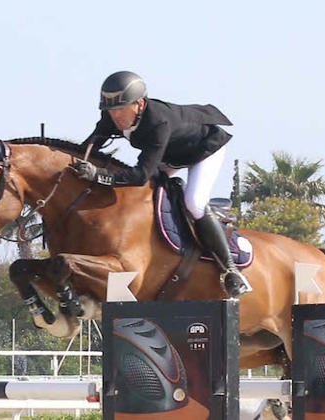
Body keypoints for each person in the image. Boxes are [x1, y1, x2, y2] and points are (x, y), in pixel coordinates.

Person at [71, 70, 252, 298]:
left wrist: (98, 175)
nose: (115, 115)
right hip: (170, 154)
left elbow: (140, 176)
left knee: (194, 202)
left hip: (204, 149)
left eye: (121, 108)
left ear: (139, 104)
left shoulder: (158, 122)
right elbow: (91, 145)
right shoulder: (112, 118)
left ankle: (231, 271)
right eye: (110, 110)